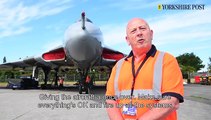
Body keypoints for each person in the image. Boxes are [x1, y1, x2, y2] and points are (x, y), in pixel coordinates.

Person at [106, 18, 184, 120]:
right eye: (133, 31)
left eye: (142, 28)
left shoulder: (166, 60)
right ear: (127, 40)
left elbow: (171, 101)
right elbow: (110, 99)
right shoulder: (118, 66)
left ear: (151, 34)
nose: (139, 33)